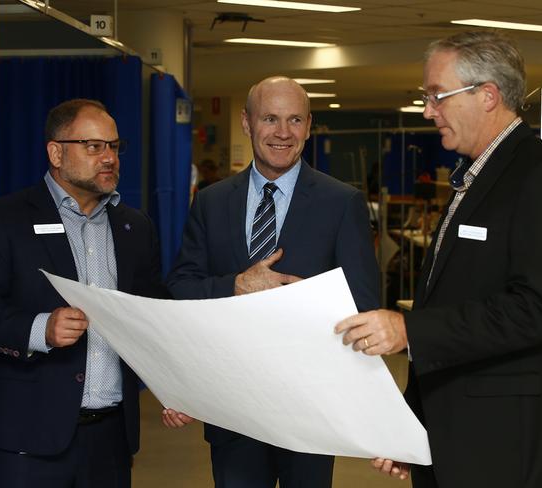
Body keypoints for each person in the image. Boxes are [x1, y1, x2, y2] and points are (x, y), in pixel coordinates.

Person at [335, 31, 542, 488]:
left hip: (507, 444)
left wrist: (408, 329)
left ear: (487, 95)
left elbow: (534, 310)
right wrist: (412, 421)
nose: (428, 111)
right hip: (453, 436)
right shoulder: (476, 176)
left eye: (436, 96)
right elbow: (451, 302)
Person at [161, 75, 379, 488]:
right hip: (231, 407)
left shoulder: (342, 202)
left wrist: (312, 304)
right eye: (270, 119)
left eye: (295, 120)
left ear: (310, 126)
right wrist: (235, 285)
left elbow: (364, 307)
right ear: (246, 123)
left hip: (310, 408)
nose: (283, 133)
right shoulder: (211, 201)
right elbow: (181, 288)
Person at [0, 98, 165, 487]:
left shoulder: (136, 228)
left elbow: (152, 317)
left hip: (111, 440)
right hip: (26, 438)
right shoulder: (4, 217)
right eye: (93, 146)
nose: (109, 158)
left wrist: (175, 387)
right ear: (56, 152)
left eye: (114, 146)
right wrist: (40, 329)